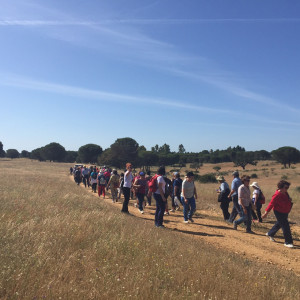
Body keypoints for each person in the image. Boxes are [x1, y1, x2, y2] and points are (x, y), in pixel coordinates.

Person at [262, 180, 294, 248]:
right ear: (280, 187)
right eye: (286, 187)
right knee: (285, 226)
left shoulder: (285, 193)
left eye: (287, 187)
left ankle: (270, 233)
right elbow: (271, 204)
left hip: (285, 211)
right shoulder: (276, 195)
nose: (287, 189)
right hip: (279, 212)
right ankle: (288, 242)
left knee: (279, 223)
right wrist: (266, 213)